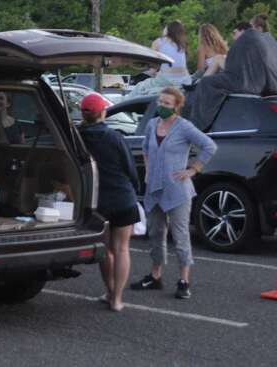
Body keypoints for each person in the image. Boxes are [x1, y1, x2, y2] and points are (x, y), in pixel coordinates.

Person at [131, 87, 217, 299]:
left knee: (180, 236)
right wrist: (149, 171)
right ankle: (155, 276)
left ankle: (183, 280)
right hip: (154, 189)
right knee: (156, 234)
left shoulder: (184, 126)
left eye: (167, 103)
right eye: (160, 102)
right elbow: (145, 148)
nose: (162, 106)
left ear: (177, 106)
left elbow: (209, 146)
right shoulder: (152, 125)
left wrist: (192, 169)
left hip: (177, 190)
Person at [78, 92, 140, 312]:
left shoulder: (76, 137)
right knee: (122, 248)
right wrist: (137, 188)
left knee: (106, 250)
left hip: (96, 202)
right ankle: (117, 299)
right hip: (123, 198)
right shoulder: (114, 137)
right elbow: (130, 167)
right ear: (103, 113)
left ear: (83, 114)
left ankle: (109, 290)